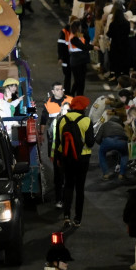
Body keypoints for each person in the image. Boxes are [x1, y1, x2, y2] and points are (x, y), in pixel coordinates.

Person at [57, 95, 94, 228]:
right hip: (82, 158)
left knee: (68, 185)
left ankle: (66, 215)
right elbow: (90, 143)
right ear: (83, 107)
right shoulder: (86, 121)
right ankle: (77, 218)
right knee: (80, 188)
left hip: (66, 157)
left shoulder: (62, 119)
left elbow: (57, 141)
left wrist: (58, 158)